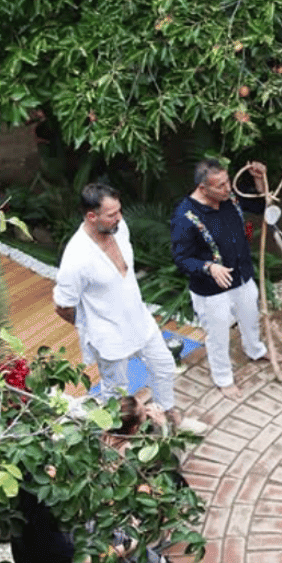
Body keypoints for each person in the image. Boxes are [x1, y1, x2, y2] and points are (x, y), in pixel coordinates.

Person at [53, 182, 189, 430]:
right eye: (111, 214)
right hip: (108, 335)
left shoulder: (119, 228)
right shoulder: (76, 258)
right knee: (117, 395)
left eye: (119, 211)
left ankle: (165, 417)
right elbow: (62, 305)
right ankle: (118, 438)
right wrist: (89, 325)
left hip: (140, 319)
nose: (119, 217)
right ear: (91, 217)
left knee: (164, 366)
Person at [170, 159, 270, 395]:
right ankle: (224, 379)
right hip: (211, 289)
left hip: (242, 276)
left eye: (228, 182)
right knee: (218, 335)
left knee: (250, 317)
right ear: (203, 188)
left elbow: (262, 206)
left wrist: (259, 180)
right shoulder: (185, 217)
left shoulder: (229, 198)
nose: (228, 189)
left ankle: (255, 350)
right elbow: (182, 258)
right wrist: (209, 267)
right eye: (221, 186)